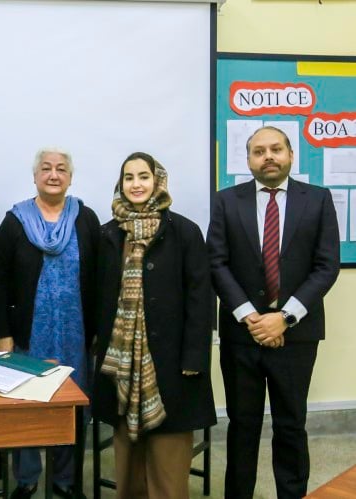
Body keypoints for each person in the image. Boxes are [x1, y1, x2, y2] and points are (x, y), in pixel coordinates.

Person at [207, 126, 339, 499]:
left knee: (291, 425)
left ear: (290, 155)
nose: (268, 156)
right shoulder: (226, 201)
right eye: (259, 151)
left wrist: (284, 317)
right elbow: (216, 263)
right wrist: (251, 317)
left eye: (276, 149)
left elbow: (326, 266)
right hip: (242, 336)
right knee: (242, 426)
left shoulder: (318, 199)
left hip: (297, 335)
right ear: (248, 159)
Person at [92, 152, 216, 499]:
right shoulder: (108, 234)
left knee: (168, 464)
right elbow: (98, 296)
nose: (136, 184)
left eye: (143, 176)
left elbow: (201, 298)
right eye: (128, 177)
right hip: (121, 368)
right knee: (128, 465)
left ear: (158, 181)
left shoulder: (184, 231)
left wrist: (195, 358)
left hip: (173, 365)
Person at [0, 148, 99, 499]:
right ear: (35, 176)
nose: (53, 175)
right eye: (46, 168)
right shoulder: (15, 221)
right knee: (27, 407)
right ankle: (27, 480)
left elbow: (100, 277)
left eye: (61, 169)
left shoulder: (86, 219)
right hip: (27, 335)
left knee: (72, 408)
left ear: (70, 177)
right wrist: (2, 333)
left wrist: (99, 331)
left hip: (76, 335)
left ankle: (65, 480)